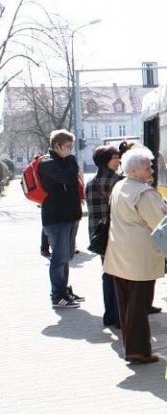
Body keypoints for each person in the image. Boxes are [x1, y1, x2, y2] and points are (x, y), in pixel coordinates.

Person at [103, 146, 167, 363]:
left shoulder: (120, 186)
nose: (152, 170)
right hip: (140, 259)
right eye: (148, 166)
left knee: (127, 307)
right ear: (135, 170)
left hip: (119, 256)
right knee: (139, 306)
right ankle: (139, 351)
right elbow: (160, 224)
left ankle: (131, 347)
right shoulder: (144, 193)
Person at [38, 129, 85, 308]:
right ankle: (57, 296)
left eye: (71, 146)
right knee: (59, 259)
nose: (70, 150)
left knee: (66, 257)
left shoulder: (63, 161)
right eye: (67, 146)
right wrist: (72, 161)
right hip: (56, 218)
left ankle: (64, 291)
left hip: (70, 216)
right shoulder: (47, 163)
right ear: (57, 146)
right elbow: (68, 177)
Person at [85, 145, 122, 327]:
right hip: (115, 234)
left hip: (98, 235)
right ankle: (119, 316)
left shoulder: (91, 182)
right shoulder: (114, 181)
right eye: (115, 157)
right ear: (106, 161)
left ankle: (110, 315)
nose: (119, 160)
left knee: (108, 274)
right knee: (119, 276)